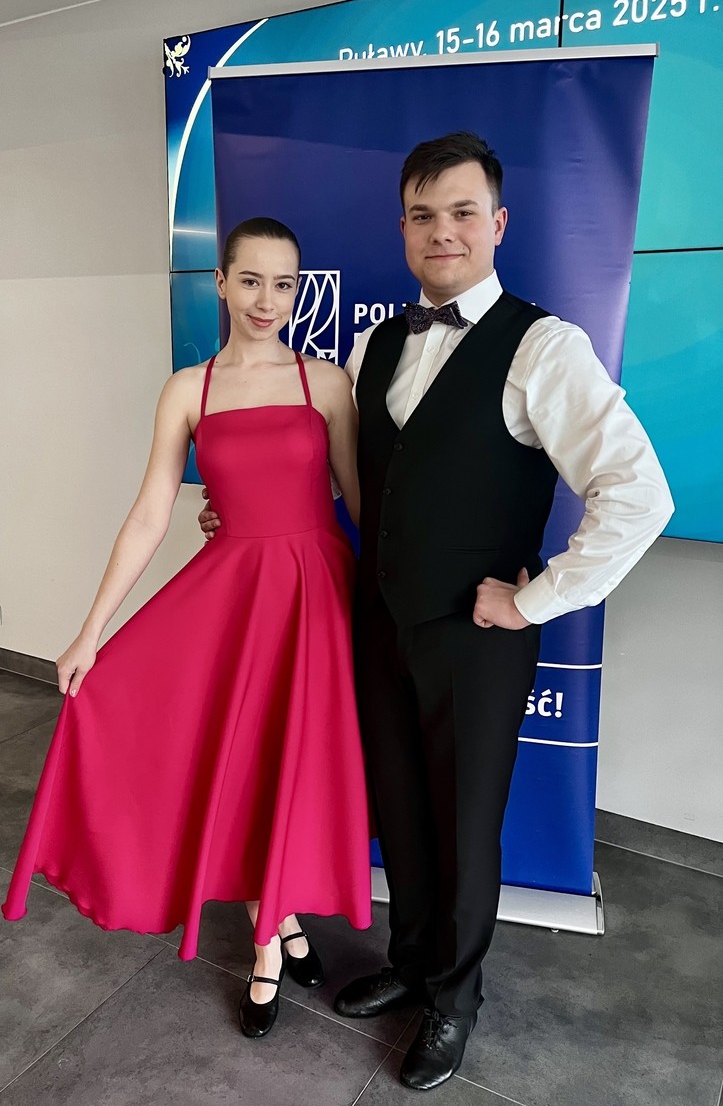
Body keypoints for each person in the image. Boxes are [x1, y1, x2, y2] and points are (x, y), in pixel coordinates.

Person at [198, 133, 674, 1090]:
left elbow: (638, 494)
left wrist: (535, 598)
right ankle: (413, 964)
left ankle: (455, 999)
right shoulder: (374, 345)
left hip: (477, 636)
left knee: (462, 824)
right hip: (377, 622)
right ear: (403, 230)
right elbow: (330, 470)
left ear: (497, 224)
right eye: (422, 215)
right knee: (404, 811)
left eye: (461, 212)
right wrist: (236, 508)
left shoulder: (543, 346)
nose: (441, 231)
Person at [2, 217, 372, 1041]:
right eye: (251, 280)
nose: (267, 299)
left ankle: (278, 928)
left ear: (299, 290)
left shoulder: (325, 384)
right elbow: (149, 513)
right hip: (232, 595)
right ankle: (275, 936)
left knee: (287, 765)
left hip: (314, 596)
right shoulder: (187, 389)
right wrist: (90, 631)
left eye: (284, 284)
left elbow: (359, 498)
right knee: (235, 764)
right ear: (221, 282)